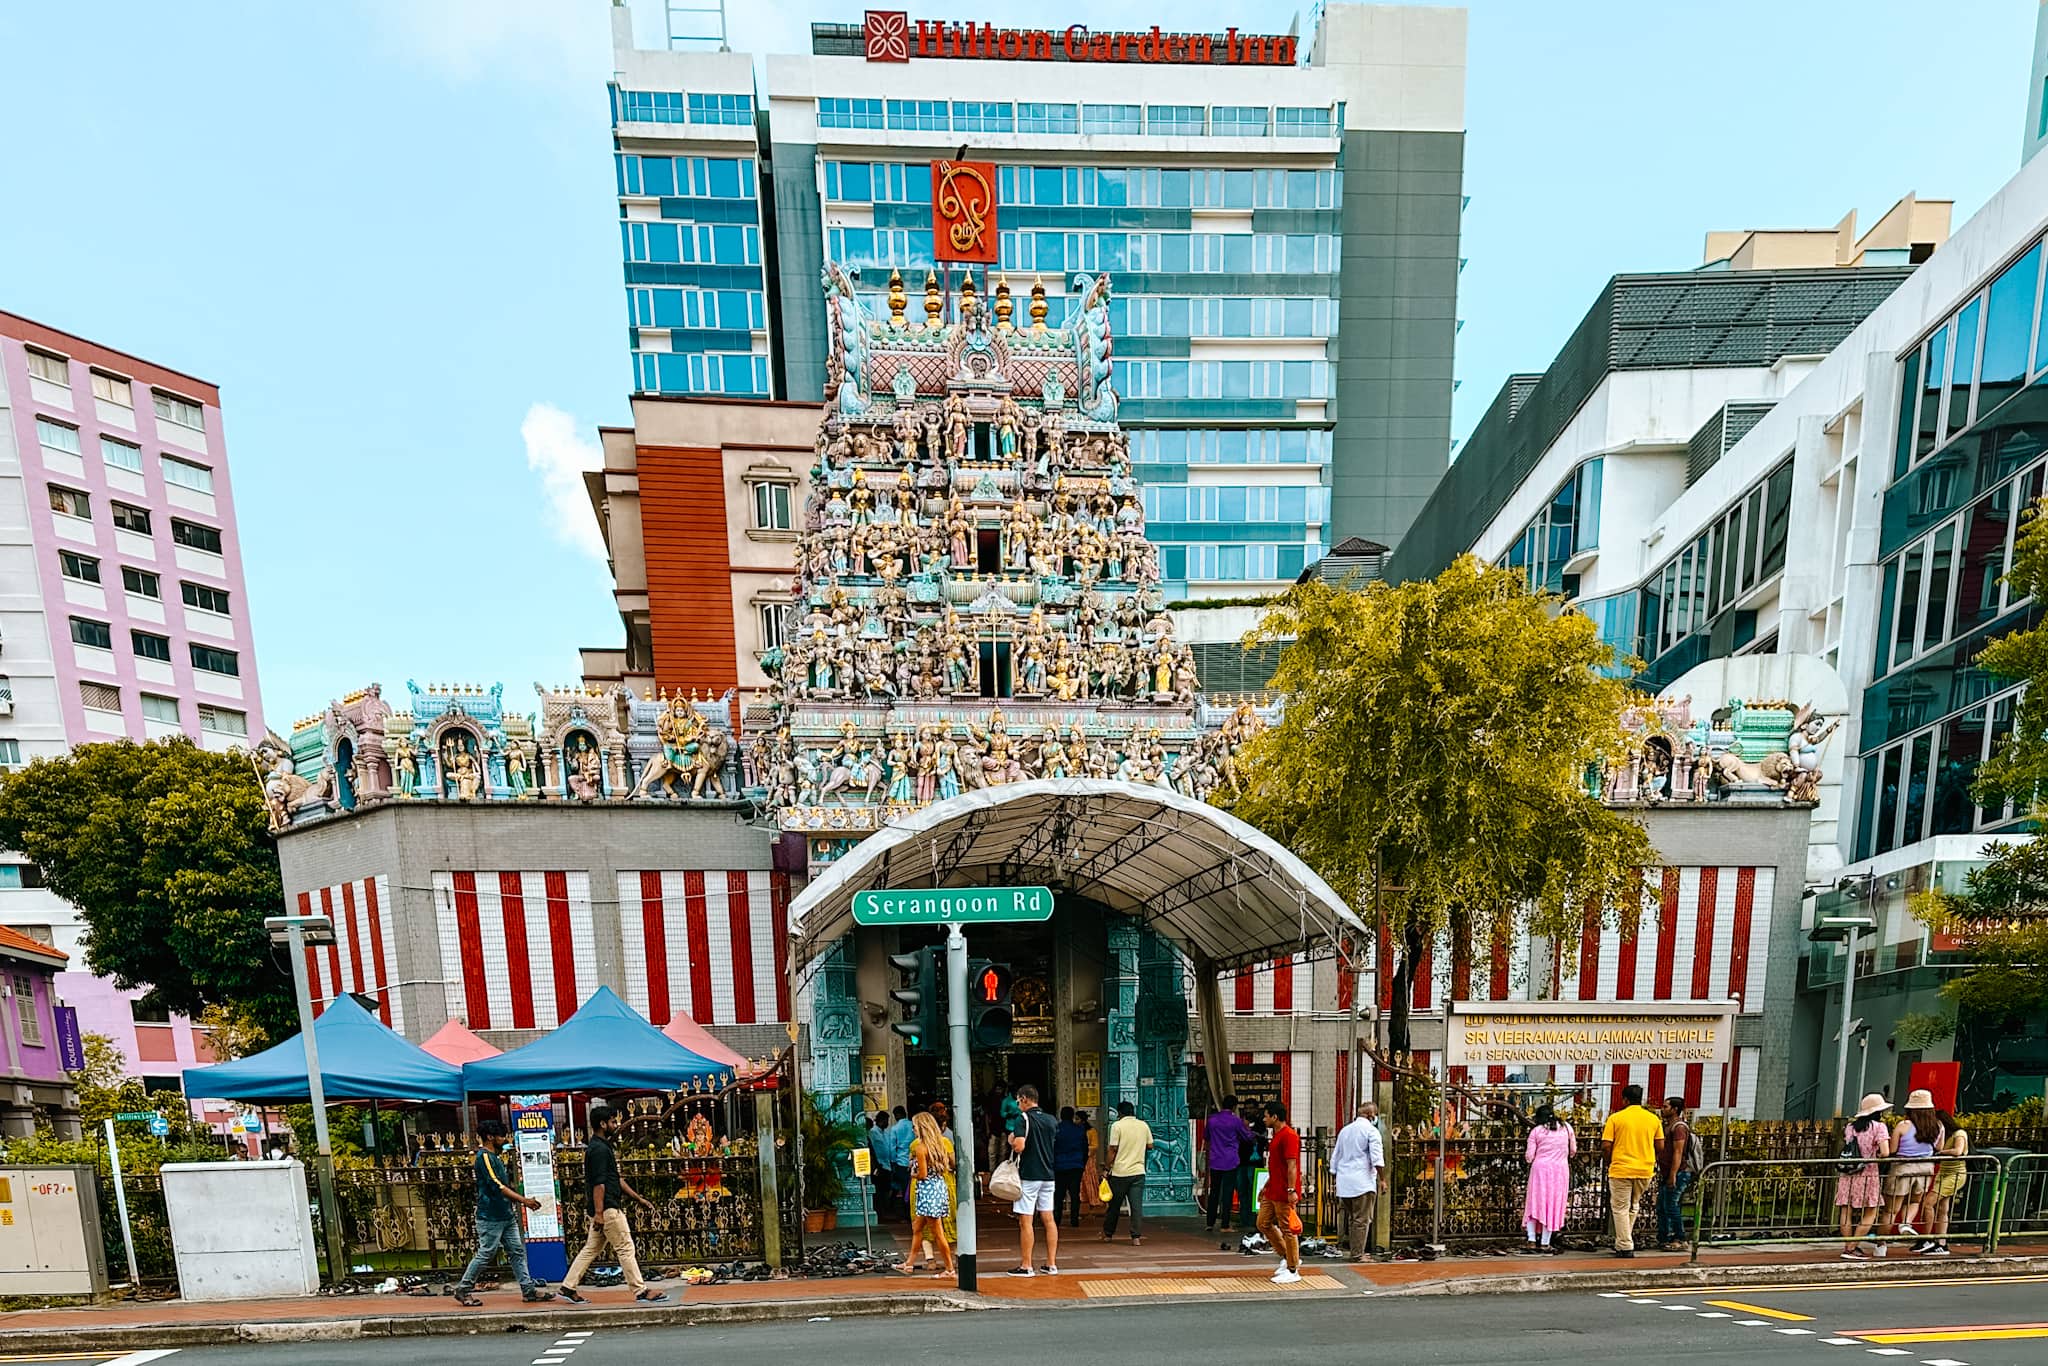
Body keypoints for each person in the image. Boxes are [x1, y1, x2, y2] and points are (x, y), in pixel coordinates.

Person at [558, 1104, 667, 1304]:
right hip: (607, 1209)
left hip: (603, 1208)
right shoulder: (599, 1149)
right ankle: (640, 1290)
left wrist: (638, 1198)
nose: (615, 1124)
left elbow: (614, 1178)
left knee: (591, 1248)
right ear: (603, 1123)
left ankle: (568, 1286)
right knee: (625, 1247)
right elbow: (599, 1183)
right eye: (612, 1121)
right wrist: (600, 1212)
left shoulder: (601, 1146)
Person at [452, 1119, 553, 1306]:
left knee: (516, 1251)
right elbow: (498, 1186)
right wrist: (524, 1201)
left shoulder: (494, 1157)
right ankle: (463, 1288)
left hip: (505, 1214)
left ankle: (528, 1290)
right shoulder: (484, 1158)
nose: (504, 1139)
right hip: (491, 1216)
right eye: (501, 1136)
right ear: (490, 1137)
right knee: (486, 1252)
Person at [1600, 1084, 1665, 1258]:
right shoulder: (1653, 1119)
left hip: (1621, 1168)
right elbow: (1660, 1146)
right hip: (1644, 1169)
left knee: (1620, 1208)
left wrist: (1609, 1162)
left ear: (1625, 1100)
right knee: (1633, 1205)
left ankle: (1625, 1245)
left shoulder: (1616, 1118)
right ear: (1641, 1099)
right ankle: (1622, 1241)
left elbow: (1606, 1146)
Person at [1006, 1084, 1061, 1276]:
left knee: (1026, 1221)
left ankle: (1026, 1265)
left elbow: (1019, 1146)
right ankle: (1051, 1264)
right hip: (1048, 1175)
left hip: (1029, 1175)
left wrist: (1011, 1140)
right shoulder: (1051, 1119)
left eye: (1018, 1100)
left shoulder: (1023, 1119)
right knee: (1048, 1218)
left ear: (1025, 1099)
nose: (1017, 1103)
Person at [1882, 1089, 1945, 1245]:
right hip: (1925, 1169)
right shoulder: (1938, 1126)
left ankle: (1881, 1245)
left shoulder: (1903, 1125)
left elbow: (1892, 1150)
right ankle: (1905, 1222)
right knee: (1914, 1201)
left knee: (1891, 1210)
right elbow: (1940, 1148)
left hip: (1902, 1168)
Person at [900, 1110, 957, 1278]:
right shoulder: (941, 1144)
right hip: (939, 1187)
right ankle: (909, 1262)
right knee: (917, 1227)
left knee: (937, 1233)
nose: (913, 1130)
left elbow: (922, 1174)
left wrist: (913, 1174)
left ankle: (949, 1269)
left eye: (915, 1127)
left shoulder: (920, 1147)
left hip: (926, 1191)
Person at [1836, 1093, 1891, 1259]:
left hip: (1848, 1173)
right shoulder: (1879, 1127)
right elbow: (1885, 1152)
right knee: (1870, 1212)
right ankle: (1852, 1247)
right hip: (1868, 1173)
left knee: (1846, 1210)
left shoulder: (1850, 1127)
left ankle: (1848, 1246)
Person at [1255, 1100, 1303, 1285]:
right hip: (1273, 1189)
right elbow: (1276, 1166)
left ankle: (1293, 1269)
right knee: (1263, 1223)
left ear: (1275, 1117)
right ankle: (1287, 1255)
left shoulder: (1289, 1136)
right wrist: (1266, 1186)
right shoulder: (1277, 1135)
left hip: (1284, 1190)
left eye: (1266, 1115)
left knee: (1288, 1228)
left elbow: (1292, 1165)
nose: (1264, 1119)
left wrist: (1291, 1190)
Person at [1331, 1099, 1386, 1260]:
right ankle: (1357, 1254)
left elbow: (1336, 1156)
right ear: (1371, 1115)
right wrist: (1382, 1179)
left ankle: (1356, 1250)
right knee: (1361, 1219)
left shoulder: (1345, 1131)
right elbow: (1377, 1158)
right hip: (1362, 1182)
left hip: (1344, 1182)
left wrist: (1335, 1175)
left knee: (1353, 1218)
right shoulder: (1371, 1131)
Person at [1522, 1103, 1573, 1254]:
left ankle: (1531, 1240)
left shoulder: (1536, 1131)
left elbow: (1529, 1157)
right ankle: (1545, 1242)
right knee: (1553, 1205)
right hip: (1559, 1171)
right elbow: (1573, 1151)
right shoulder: (1567, 1128)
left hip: (1540, 1171)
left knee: (1534, 1203)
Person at [1204, 1095, 1256, 1241]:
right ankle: (1225, 1224)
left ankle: (1210, 1222)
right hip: (1230, 1160)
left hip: (1215, 1160)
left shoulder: (1212, 1120)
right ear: (1234, 1107)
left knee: (1214, 1191)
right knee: (1227, 1192)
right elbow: (1247, 1137)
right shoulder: (1235, 1121)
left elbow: (1206, 1136)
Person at [1102, 1100, 1154, 1245]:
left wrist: (1106, 1168)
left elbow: (1112, 1149)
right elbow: (1150, 1145)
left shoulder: (1117, 1126)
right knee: (1136, 1206)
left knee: (1114, 1206)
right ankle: (1136, 1237)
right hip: (1138, 1172)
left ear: (1120, 1113)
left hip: (1120, 1172)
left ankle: (1108, 1234)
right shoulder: (1143, 1125)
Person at [1917, 1110, 1967, 1256]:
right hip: (1943, 1173)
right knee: (1942, 1209)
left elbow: (1958, 1151)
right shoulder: (1944, 1136)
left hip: (1954, 1174)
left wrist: (1941, 1153)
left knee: (1928, 1203)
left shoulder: (1959, 1134)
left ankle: (1928, 1238)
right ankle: (1941, 1243)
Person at [1656, 1095, 1697, 1251]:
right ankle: (1664, 1237)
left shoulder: (1679, 1128)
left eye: (1666, 1106)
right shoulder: (1668, 1126)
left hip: (1678, 1172)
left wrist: (1673, 1174)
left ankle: (1680, 1237)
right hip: (1668, 1172)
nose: (1662, 1109)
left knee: (1671, 1206)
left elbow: (1678, 1152)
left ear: (1675, 1109)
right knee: (1662, 1206)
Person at [1054, 1106, 1089, 1227]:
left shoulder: (1056, 1129)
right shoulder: (1080, 1129)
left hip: (1059, 1166)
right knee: (1075, 1194)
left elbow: (1051, 1148)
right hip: (1076, 1165)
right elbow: (1085, 1148)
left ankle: (1056, 1218)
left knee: (1058, 1194)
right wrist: (1082, 1163)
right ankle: (1074, 1219)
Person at [889, 1105, 917, 1220]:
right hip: (914, 1161)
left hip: (901, 1162)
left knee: (904, 1188)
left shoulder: (895, 1129)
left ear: (896, 1115)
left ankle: (905, 1213)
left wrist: (893, 1161)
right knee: (913, 1188)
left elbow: (892, 1147)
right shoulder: (913, 1126)